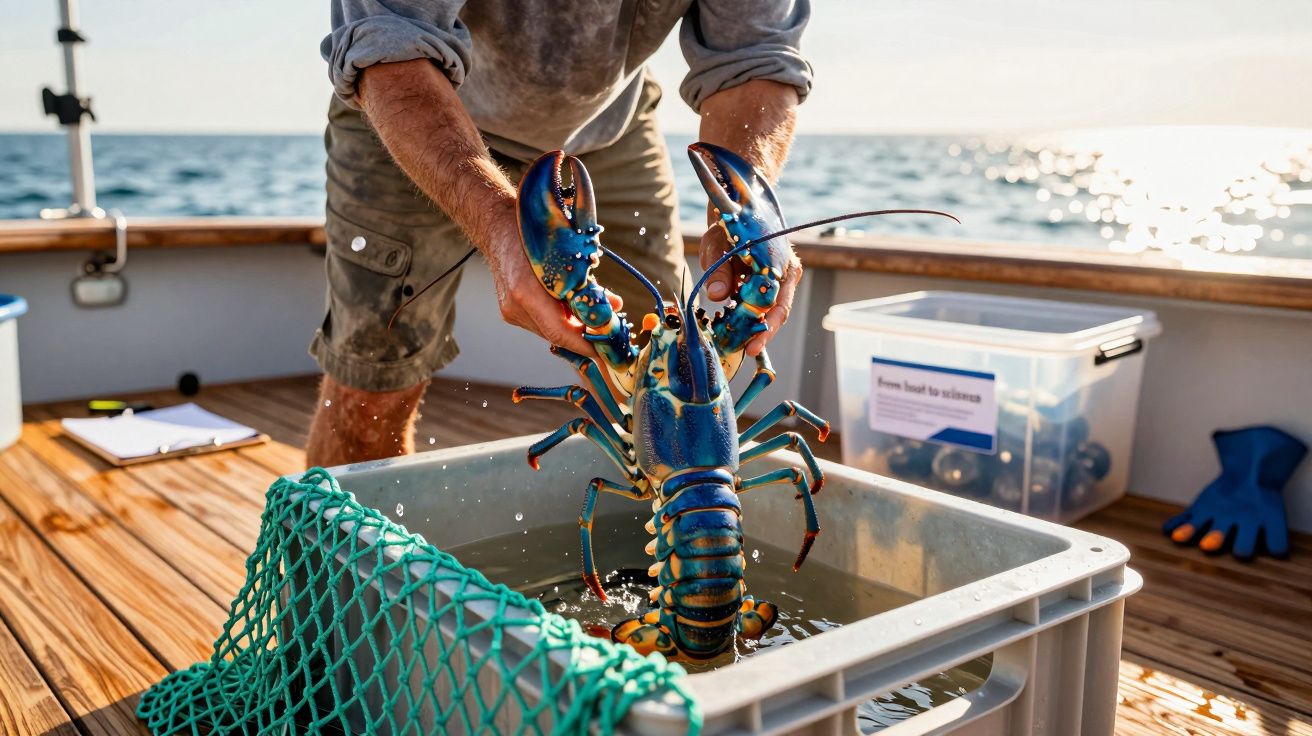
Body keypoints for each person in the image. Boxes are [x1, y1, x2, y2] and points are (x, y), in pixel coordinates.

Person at [306, 1, 813, 467]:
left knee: (668, 365)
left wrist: (752, 227)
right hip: (412, 102)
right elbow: (388, 40)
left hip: (609, 122)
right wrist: (496, 224)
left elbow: (756, 54)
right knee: (369, 393)